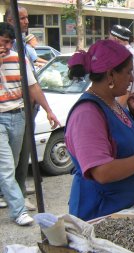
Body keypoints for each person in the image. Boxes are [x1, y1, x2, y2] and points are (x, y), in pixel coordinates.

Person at [66, 40, 134, 221]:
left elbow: (118, 144)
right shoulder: (87, 114)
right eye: (128, 72)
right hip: (100, 213)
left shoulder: (111, 103)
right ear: (110, 75)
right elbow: (102, 172)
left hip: (124, 208)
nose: (131, 78)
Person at [0, 22, 58, 225]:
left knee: (13, 164)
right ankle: (19, 211)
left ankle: (7, 194)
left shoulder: (19, 59)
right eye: (4, 41)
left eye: (9, 42)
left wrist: (49, 110)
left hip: (18, 116)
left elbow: (33, 87)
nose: (6, 46)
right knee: (6, 167)